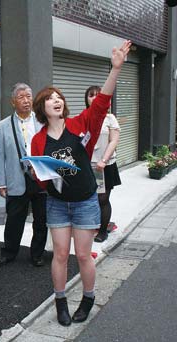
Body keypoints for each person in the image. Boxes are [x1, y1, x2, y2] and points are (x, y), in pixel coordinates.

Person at [31, 40, 131, 326]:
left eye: (58, 96)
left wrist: (115, 69)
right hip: (58, 203)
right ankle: (60, 300)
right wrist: (44, 174)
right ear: (43, 107)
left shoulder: (80, 124)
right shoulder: (38, 139)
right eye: (50, 98)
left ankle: (88, 298)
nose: (56, 99)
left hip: (86, 200)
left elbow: (101, 103)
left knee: (84, 255)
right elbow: (39, 176)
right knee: (61, 254)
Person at [0, 83, 51, 268]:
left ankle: (37, 254)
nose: (26, 100)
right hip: (16, 179)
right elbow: (0, 156)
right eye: (21, 97)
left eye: (28, 96)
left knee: (41, 220)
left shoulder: (43, 122)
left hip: (40, 178)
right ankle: (9, 253)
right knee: (14, 220)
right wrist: (1, 183)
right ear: (13, 102)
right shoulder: (3, 125)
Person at [86, 86, 122, 242]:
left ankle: (102, 231)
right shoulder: (84, 117)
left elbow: (114, 140)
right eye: (91, 95)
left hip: (104, 166)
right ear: (86, 99)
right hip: (88, 166)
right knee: (88, 199)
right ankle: (89, 226)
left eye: (97, 95)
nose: (94, 98)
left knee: (102, 199)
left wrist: (103, 160)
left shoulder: (110, 118)